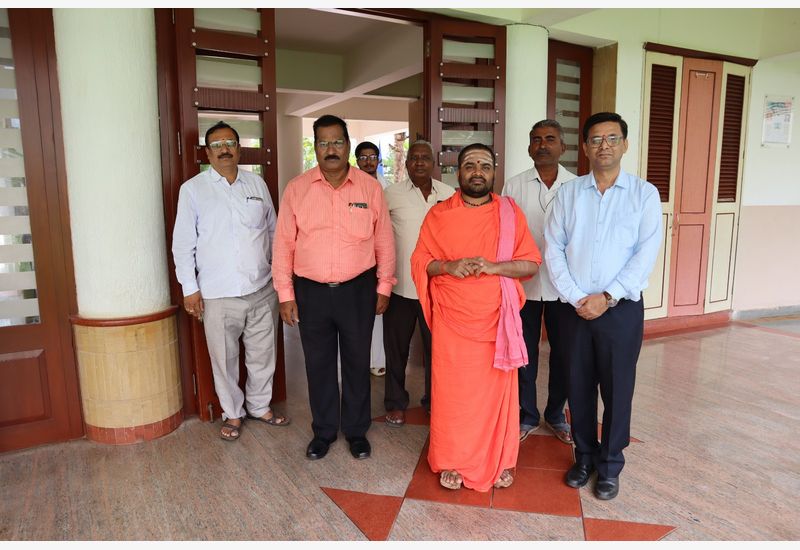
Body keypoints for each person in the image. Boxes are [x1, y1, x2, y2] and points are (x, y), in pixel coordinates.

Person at [544, 112, 662, 500]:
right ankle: (584, 457)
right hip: (573, 308)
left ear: (625, 144)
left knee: (616, 387)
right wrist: (579, 296)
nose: (604, 145)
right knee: (577, 386)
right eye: (596, 139)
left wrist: (607, 296)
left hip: (621, 309)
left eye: (612, 138)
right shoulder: (568, 193)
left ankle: (610, 465)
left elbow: (644, 256)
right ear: (584, 147)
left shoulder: (644, 195)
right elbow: (554, 249)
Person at [411, 143, 541, 492]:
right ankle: (452, 459)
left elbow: (531, 263)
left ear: (494, 172)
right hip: (453, 322)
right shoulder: (439, 214)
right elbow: (421, 261)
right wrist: (448, 266)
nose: (478, 171)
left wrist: (494, 266)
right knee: (455, 396)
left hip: (498, 320)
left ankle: (499, 458)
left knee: (495, 397)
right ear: (459, 172)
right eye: (470, 165)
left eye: (485, 165)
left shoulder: (510, 213)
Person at [273, 115, 396, 461]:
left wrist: (384, 284)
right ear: (315, 147)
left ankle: (357, 431)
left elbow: (384, 240)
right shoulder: (297, 189)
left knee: (357, 362)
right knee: (319, 363)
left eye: (337, 142)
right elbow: (284, 244)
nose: (331, 149)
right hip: (310, 291)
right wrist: (285, 294)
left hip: (358, 289)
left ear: (348, 146)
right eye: (323, 143)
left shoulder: (369, 188)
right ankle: (324, 431)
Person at [172, 120, 289, 442]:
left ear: (239, 149)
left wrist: (278, 279)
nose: (224, 149)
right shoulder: (193, 190)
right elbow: (183, 244)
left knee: (263, 354)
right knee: (224, 360)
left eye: (230, 143)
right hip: (217, 294)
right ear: (208, 153)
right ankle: (233, 413)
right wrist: (190, 289)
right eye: (217, 145)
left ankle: (260, 406)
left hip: (261, 288)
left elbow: (274, 232)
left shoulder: (257, 185)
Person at [502, 120, 576, 445]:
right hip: (524, 287)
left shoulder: (578, 188)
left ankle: (556, 414)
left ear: (563, 147)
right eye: (536, 140)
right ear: (529, 147)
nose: (542, 145)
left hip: (565, 288)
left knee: (564, 354)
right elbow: (503, 234)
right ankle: (527, 414)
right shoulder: (513, 186)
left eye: (550, 139)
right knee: (524, 353)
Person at [382, 140, 455, 426]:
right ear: (407, 162)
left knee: (437, 350)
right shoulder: (391, 195)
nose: (420, 162)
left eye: (425, 158)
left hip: (437, 289)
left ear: (434, 162)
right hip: (400, 288)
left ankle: (435, 400)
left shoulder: (449, 195)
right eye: (414, 158)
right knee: (396, 350)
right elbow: (380, 240)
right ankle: (395, 402)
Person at [355, 140, 389, 378]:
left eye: (372, 156)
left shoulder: (389, 188)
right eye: (363, 157)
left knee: (379, 311)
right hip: (360, 259)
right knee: (358, 313)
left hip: (382, 257)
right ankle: (359, 359)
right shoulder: (353, 186)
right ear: (356, 161)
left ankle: (377, 360)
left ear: (378, 160)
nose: (368, 161)